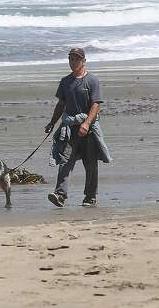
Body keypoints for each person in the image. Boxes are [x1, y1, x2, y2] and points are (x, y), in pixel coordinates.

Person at [44, 47, 111, 208]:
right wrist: (52, 123)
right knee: (65, 161)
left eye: (76, 59)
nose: (73, 62)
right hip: (70, 128)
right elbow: (61, 104)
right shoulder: (65, 81)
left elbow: (96, 105)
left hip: (88, 129)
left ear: (84, 61)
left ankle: (90, 197)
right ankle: (60, 194)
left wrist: (86, 124)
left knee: (90, 163)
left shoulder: (92, 80)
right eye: (71, 59)